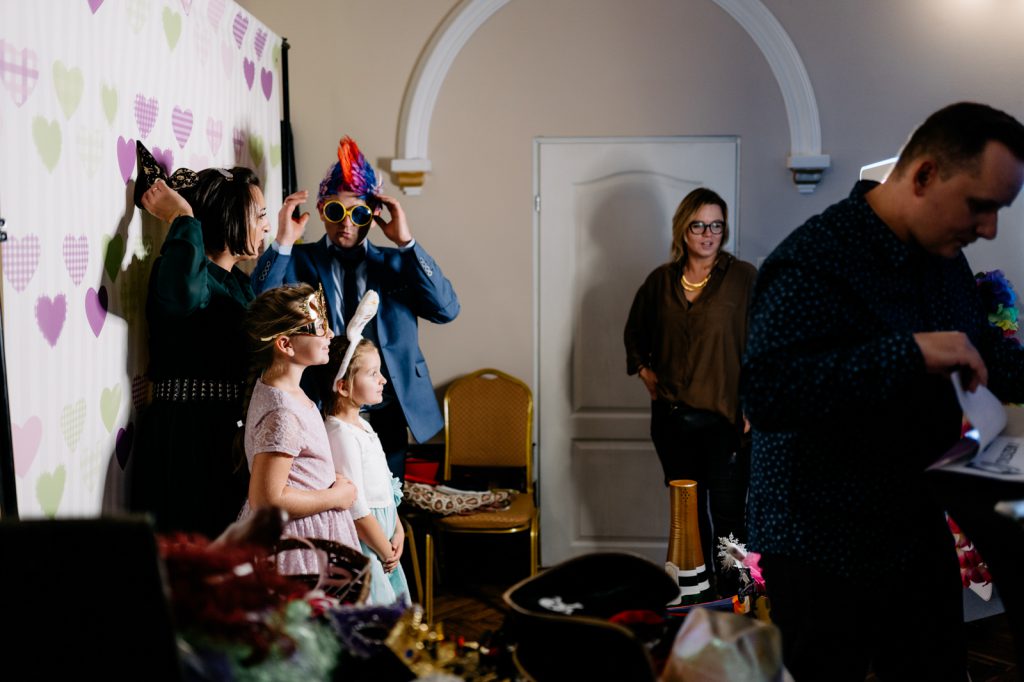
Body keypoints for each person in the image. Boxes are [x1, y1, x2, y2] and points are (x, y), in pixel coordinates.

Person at [741, 101, 1024, 681]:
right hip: (820, 542)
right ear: (924, 175)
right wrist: (908, 352)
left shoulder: (945, 260)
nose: (989, 228)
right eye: (980, 205)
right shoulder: (815, 259)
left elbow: (980, 354)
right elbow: (769, 392)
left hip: (913, 524)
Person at [252, 136, 459, 480]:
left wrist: (406, 243)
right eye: (336, 211)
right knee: (329, 497)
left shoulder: (398, 263)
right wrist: (284, 241)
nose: (346, 223)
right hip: (320, 405)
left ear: (373, 215)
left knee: (384, 500)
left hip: (387, 407)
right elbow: (259, 304)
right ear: (322, 210)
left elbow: (446, 309)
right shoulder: (297, 261)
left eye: (358, 213)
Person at [129, 144, 270, 539]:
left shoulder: (238, 284)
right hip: (186, 438)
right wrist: (183, 217)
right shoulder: (183, 274)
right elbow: (183, 296)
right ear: (230, 216)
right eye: (259, 215)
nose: (266, 226)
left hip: (226, 436)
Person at [623, 187, 757, 594]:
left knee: (730, 520)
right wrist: (644, 371)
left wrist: (755, 402)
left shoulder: (743, 278)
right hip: (674, 422)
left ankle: (735, 598)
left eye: (716, 225)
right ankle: (695, 600)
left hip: (727, 421)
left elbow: (766, 341)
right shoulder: (660, 282)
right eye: (699, 225)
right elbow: (635, 332)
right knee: (689, 520)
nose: (708, 234)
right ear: (683, 229)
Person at [236, 283, 360, 576]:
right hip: (295, 543)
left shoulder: (285, 392)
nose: (330, 334)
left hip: (312, 528)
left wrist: (327, 478)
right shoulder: (283, 413)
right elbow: (267, 500)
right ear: (285, 344)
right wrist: (336, 497)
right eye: (320, 327)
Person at [323, 332, 411, 606]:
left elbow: (385, 485)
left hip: (384, 540)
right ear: (343, 387)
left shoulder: (363, 425)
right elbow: (357, 507)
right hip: (366, 545)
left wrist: (398, 530)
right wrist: (385, 551)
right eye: (373, 373)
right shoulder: (340, 433)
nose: (383, 379)